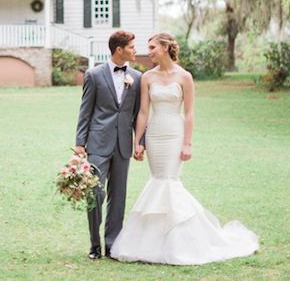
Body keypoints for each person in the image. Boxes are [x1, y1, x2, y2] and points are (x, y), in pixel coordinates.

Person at [111, 32, 259, 265]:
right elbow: (143, 112)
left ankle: (182, 242)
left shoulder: (185, 77)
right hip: (155, 134)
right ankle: (154, 244)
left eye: (152, 48)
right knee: (158, 180)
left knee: (170, 182)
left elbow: (189, 113)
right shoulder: (147, 77)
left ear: (166, 47)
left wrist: (187, 142)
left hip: (175, 133)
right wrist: (138, 141)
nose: (148, 52)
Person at [75, 30, 144, 260]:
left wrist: (139, 141)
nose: (135, 50)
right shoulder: (94, 75)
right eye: (132, 47)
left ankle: (112, 244)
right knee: (95, 192)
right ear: (119, 49)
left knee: (119, 196)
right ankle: (95, 245)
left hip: (123, 144)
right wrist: (80, 144)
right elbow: (85, 111)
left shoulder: (136, 77)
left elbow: (137, 115)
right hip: (97, 143)